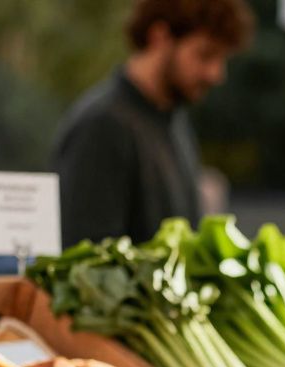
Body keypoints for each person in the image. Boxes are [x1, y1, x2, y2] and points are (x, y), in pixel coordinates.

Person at [52, 0, 253, 246]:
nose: (216, 74)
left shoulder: (173, 121)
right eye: (205, 54)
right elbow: (87, 261)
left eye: (222, 59)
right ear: (160, 37)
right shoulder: (103, 126)